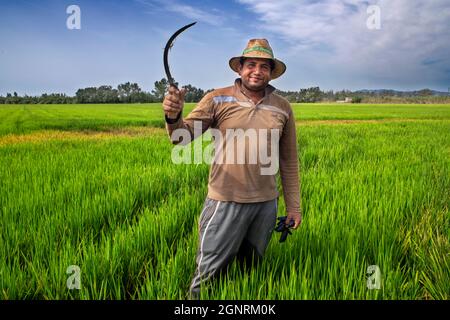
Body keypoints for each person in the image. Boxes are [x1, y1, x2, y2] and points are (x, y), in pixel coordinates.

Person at [162, 39, 302, 299]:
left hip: (266, 205)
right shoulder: (217, 98)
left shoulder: (282, 107)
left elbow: (289, 160)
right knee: (208, 273)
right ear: (239, 68)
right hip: (224, 202)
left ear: (271, 72)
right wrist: (173, 116)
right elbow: (180, 138)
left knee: (252, 270)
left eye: (264, 66)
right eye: (251, 64)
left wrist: (293, 207)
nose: (256, 71)